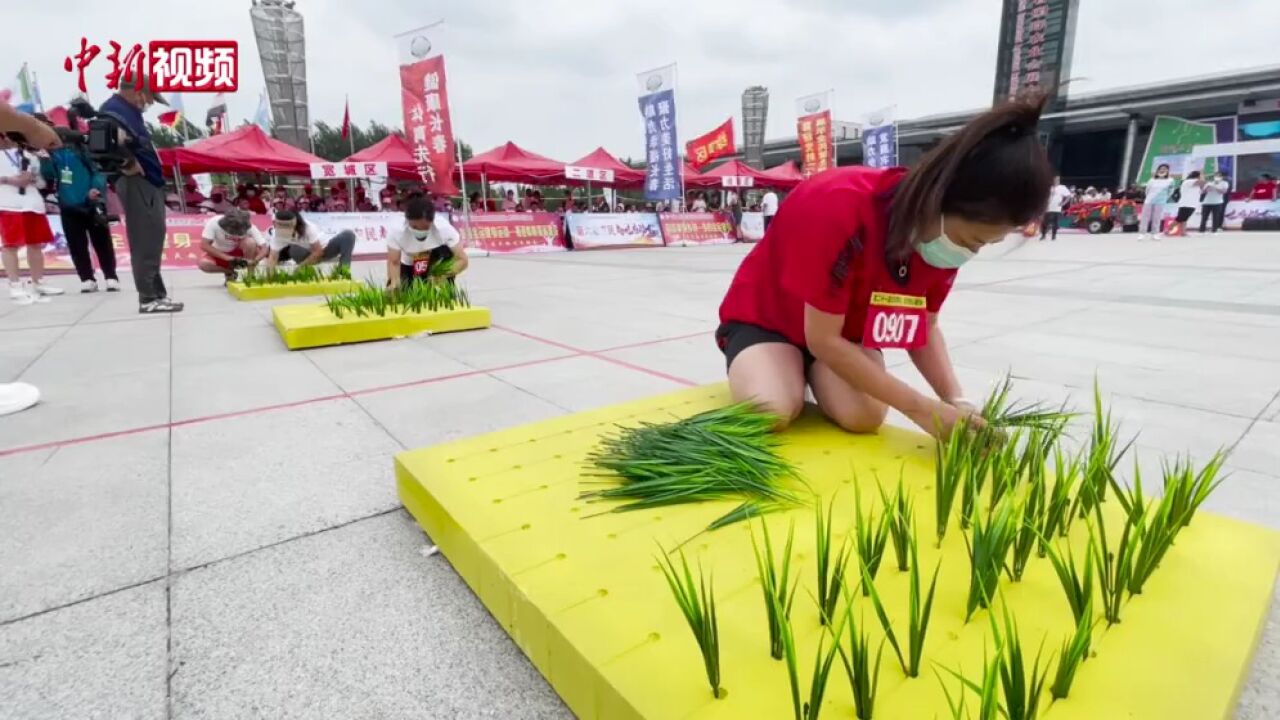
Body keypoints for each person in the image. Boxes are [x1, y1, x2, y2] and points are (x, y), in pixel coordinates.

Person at [715, 95, 1053, 439]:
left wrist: (956, 399)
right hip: (772, 321)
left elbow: (925, 326)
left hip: (845, 335)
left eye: (980, 245)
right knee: (769, 409)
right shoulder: (838, 204)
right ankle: (774, 367)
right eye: (971, 241)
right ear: (939, 198)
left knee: (864, 416)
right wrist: (924, 412)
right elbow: (822, 340)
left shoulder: (943, 240)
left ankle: (800, 372)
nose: (967, 254)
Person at [98, 72, 182, 313]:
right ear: (137, 92)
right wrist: (127, 164)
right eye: (148, 97)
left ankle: (157, 294)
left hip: (147, 184)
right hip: (136, 183)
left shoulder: (127, 112)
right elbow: (103, 144)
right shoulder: (113, 112)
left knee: (153, 237)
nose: (149, 103)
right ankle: (147, 298)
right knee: (145, 239)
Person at [39, 123, 119, 292]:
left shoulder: (83, 151)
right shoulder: (53, 156)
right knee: (77, 245)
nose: (51, 144)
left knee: (102, 242)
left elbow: (98, 172)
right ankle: (87, 278)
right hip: (68, 206)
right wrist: (44, 160)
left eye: (54, 140)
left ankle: (110, 276)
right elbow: (49, 175)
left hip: (91, 202)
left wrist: (95, 189)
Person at [0, 136, 63, 303]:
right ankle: (15, 284)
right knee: (10, 245)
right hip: (8, 205)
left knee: (35, 244)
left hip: (32, 203)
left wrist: (33, 178)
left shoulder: (29, 156)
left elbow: (42, 184)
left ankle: (38, 281)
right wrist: (9, 180)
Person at [386, 196, 469, 289]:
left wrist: (442, 275)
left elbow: (462, 260)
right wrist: (394, 283)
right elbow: (394, 262)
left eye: (425, 227)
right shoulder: (397, 231)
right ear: (407, 220)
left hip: (436, 258)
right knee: (404, 293)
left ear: (432, 221)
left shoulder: (444, 229)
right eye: (414, 227)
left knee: (438, 293)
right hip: (409, 261)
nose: (420, 231)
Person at [265, 210, 355, 270]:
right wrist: (269, 279)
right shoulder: (277, 234)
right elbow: (273, 257)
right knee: (294, 249)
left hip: (324, 250)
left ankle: (343, 271)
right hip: (304, 255)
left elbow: (318, 252)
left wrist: (300, 268)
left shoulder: (308, 228)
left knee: (348, 235)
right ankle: (306, 271)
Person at [198, 208, 267, 281]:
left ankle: (250, 274)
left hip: (239, 253)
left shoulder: (248, 226)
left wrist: (255, 261)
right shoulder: (213, 223)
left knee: (251, 242)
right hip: (220, 253)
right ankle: (231, 272)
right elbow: (204, 245)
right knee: (203, 264)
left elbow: (264, 248)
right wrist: (228, 258)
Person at [1137, 163, 1175, 240]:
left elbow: (1171, 191)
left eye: (1165, 169)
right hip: (1149, 201)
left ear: (1167, 171)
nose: (1162, 170)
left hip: (1161, 201)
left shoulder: (1170, 180)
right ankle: (1142, 233)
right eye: (1161, 168)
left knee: (1157, 218)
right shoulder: (1152, 180)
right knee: (1145, 217)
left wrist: (1164, 198)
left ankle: (1155, 234)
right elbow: (1147, 190)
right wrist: (1149, 197)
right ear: (1158, 170)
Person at [1041, 175, 1072, 241]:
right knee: (1045, 222)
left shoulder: (1062, 187)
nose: (1056, 181)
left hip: (1057, 208)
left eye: (1058, 179)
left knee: (1055, 223)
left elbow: (1069, 196)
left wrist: (1063, 203)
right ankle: (1043, 235)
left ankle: (1053, 236)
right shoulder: (1049, 187)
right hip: (1048, 208)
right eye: (1055, 179)